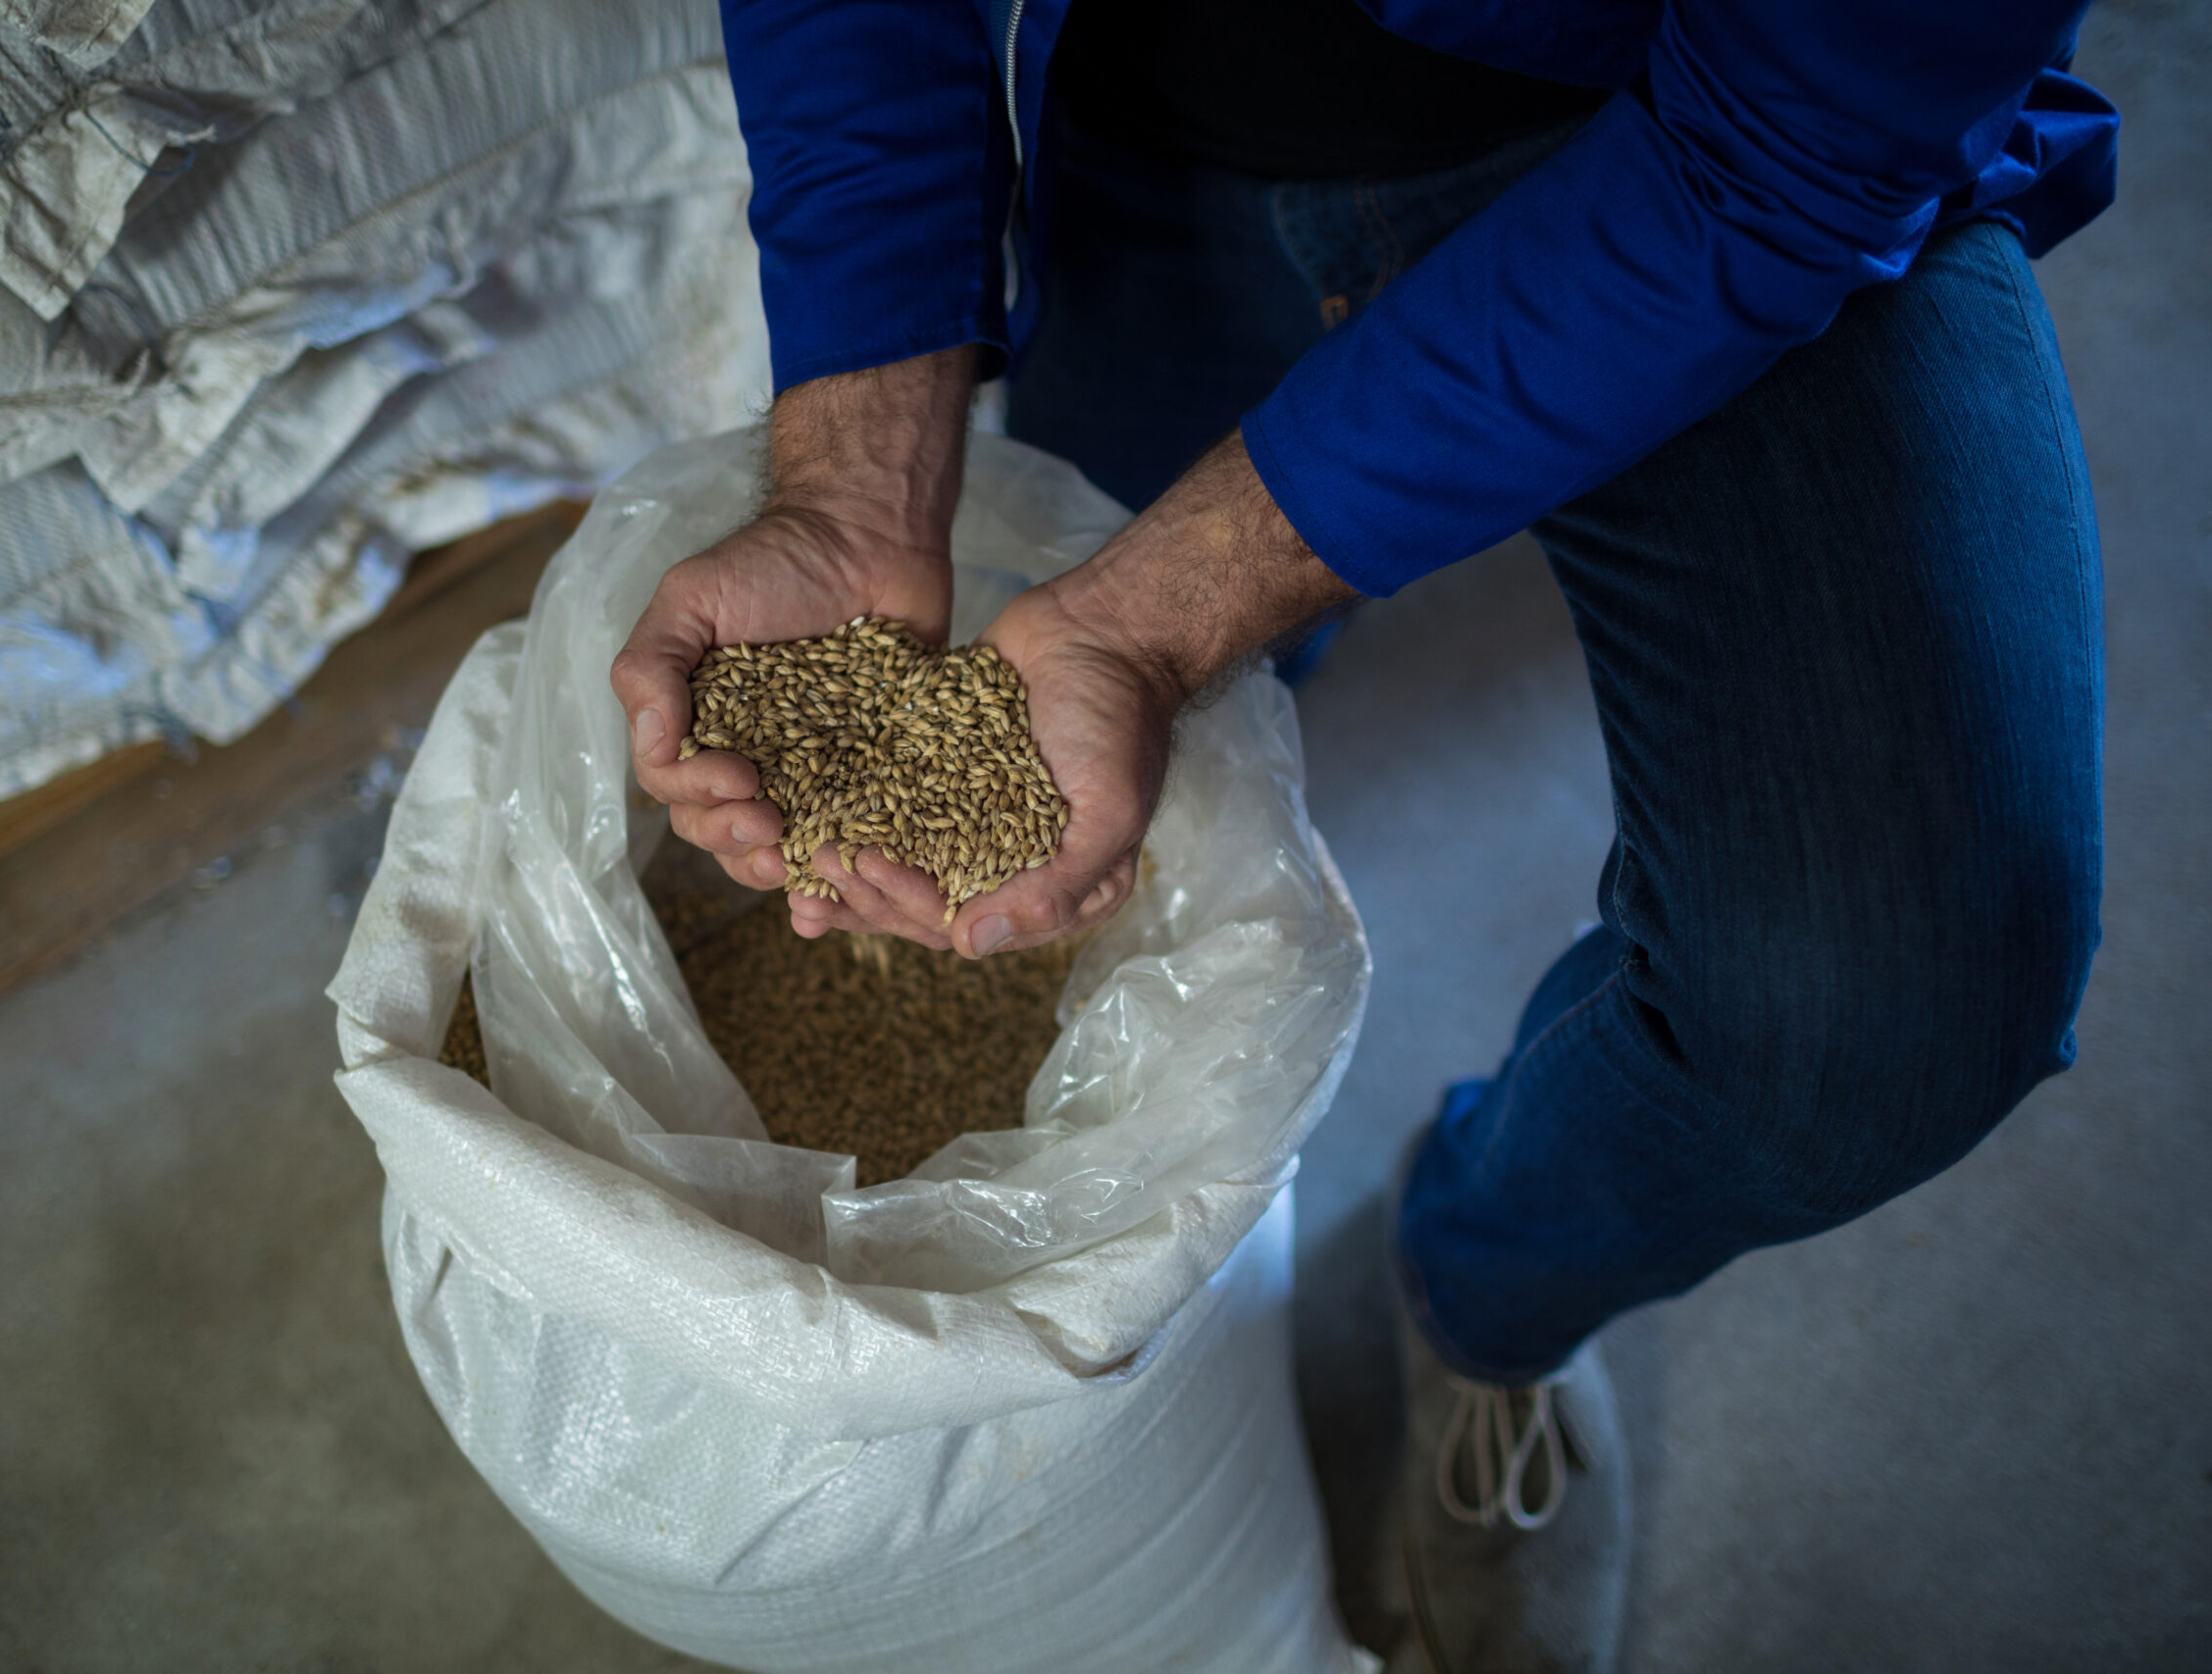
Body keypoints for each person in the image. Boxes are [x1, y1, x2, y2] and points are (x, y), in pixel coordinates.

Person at [609, 3, 2118, 1667]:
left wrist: (1161, 610)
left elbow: (1790, 144)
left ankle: (1486, 1302)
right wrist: (857, 456)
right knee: (1128, 755)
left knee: (1882, 1013)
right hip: (1154, 104)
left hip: (1706, 137)